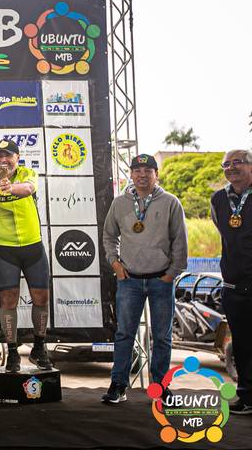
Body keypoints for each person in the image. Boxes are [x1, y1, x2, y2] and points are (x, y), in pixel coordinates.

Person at [101, 153, 187, 404]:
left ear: (156, 175)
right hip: (129, 280)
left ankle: (160, 387)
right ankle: (118, 385)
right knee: (124, 334)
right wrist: (115, 264)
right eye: (137, 170)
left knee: (162, 337)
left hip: (161, 280)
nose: (142, 175)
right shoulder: (120, 203)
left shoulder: (170, 202)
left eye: (147, 171)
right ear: (131, 174)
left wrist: (172, 273)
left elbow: (180, 241)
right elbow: (109, 236)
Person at [0, 139, 52, 372]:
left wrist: (8, 188)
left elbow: (29, 188)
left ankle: (39, 348)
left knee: (41, 298)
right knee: (8, 301)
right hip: (5, 249)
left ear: (17, 157)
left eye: (8, 155)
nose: (4, 160)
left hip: (32, 246)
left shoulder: (27, 173)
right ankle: (13, 351)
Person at [211, 149, 252, 414]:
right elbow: (224, 233)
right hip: (234, 286)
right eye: (226, 164)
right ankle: (247, 397)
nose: (232, 167)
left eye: (238, 162)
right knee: (243, 346)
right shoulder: (218, 199)